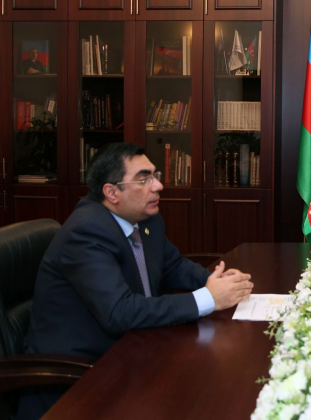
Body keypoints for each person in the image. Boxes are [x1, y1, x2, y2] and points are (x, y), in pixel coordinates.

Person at [18, 143, 253, 419]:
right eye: (144, 179)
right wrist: (208, 299)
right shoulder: (86, 232)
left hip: (134, 351)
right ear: (111, 192)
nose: (158, 186)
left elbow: (172, 265)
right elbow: (119, 312)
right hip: (79, 378)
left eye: (155, 175)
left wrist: (217, 281)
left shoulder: (144, 218)